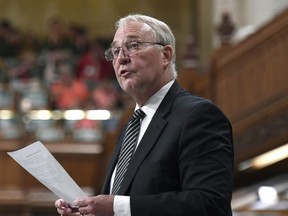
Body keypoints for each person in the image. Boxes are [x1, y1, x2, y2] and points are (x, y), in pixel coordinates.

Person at [55, 14, 234, 216]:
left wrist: (117, 208)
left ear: (165, 55)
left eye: (133, 45)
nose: (121, 58)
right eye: (115, 51)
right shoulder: (130, 127)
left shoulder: (198, 116)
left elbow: (210, 204)